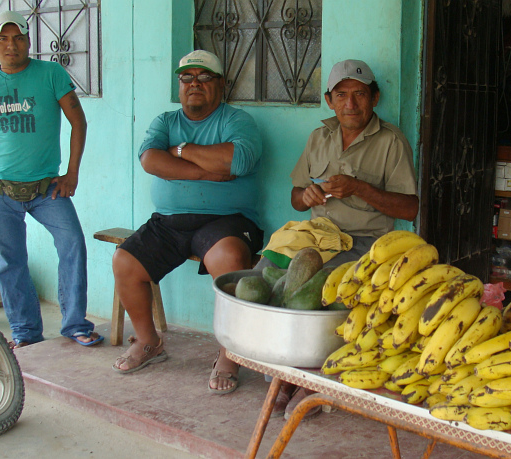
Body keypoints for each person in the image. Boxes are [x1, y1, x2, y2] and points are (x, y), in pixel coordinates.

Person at [110, 50, 263, 395]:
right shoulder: (165, 122)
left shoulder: (237, 121)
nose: (195, 84)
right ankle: (149, 342)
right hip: (168, 221)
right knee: (125, 260)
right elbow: (150, 160)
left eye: (205, 77)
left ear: (221, 85)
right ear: (179, 85)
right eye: (187, 78)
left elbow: (236, 160)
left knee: (229, 261)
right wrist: (205, 172)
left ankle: (229, 354)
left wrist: (180, 151)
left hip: (226, 220)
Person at [274, 59, 419, 419]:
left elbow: (410, 209)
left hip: (364, 242)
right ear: (329, 100)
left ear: (375, 98)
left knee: (318, 292)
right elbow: (295, 194)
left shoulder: (391, 142)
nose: (350, 104)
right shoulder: (318, 137)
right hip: (315, 236)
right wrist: (304, 196)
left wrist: (359, 188)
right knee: (269, 277)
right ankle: (286, 370)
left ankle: (310, 381)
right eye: (342, 95)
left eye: (359, 95)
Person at [0, 11, 100, 348]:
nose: (12, 45)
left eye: (19, 38)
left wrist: (72, 173)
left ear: (28, 40)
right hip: (0, 189)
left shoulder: (51, 74)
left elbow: (78, 122)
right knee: (11, 261)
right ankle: (26, 333)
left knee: (72, 244)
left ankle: (74, 324)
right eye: (3, 39)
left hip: (47, 188)